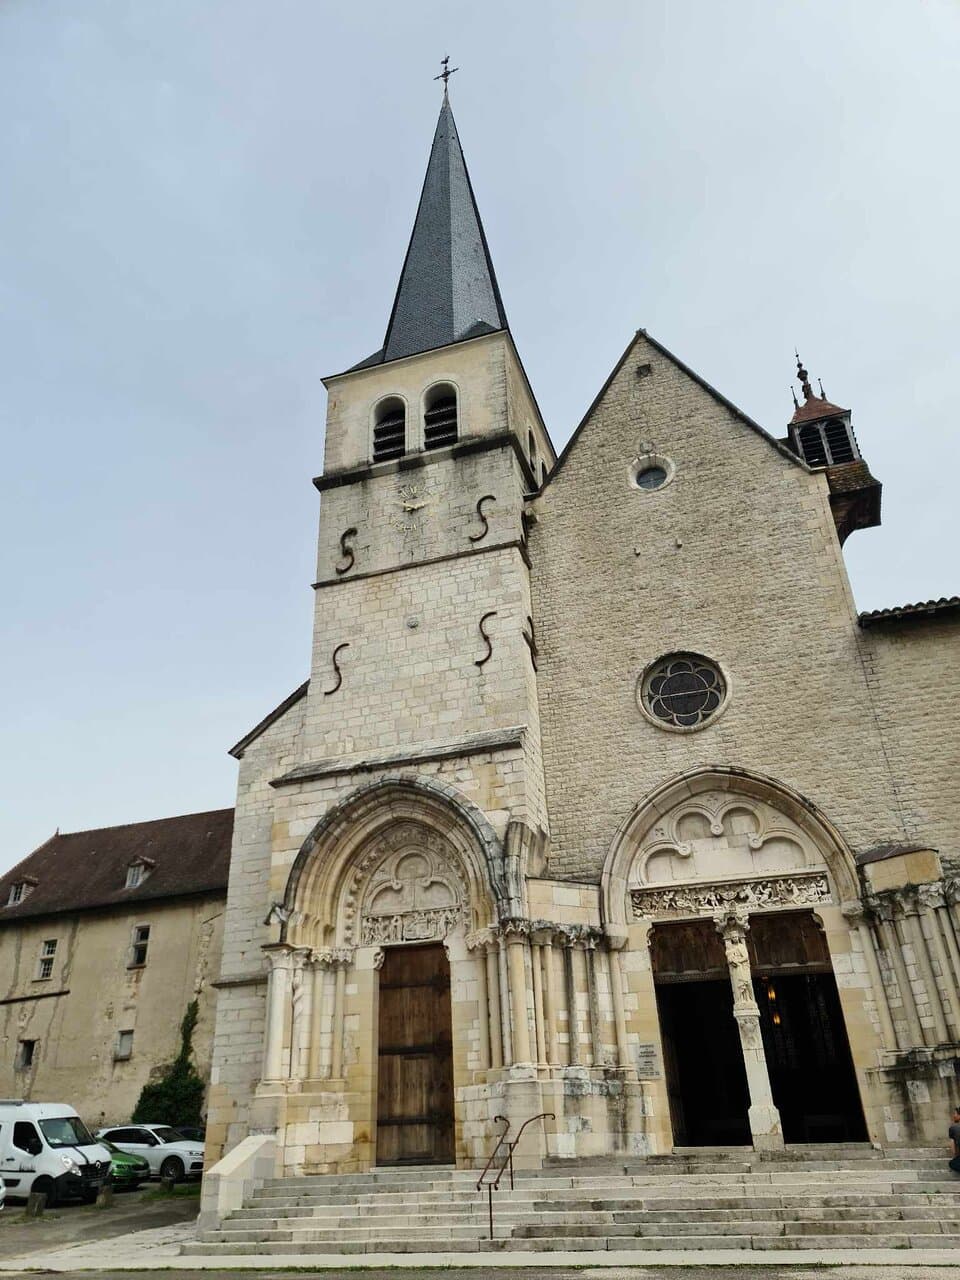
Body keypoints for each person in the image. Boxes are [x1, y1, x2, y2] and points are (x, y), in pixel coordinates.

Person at [949, 1107, 960, 1175]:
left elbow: (953, 1147)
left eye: (955, 1114)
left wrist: (955, 1156)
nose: (954, 1115)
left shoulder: (953, 1128)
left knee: (952, 1163)